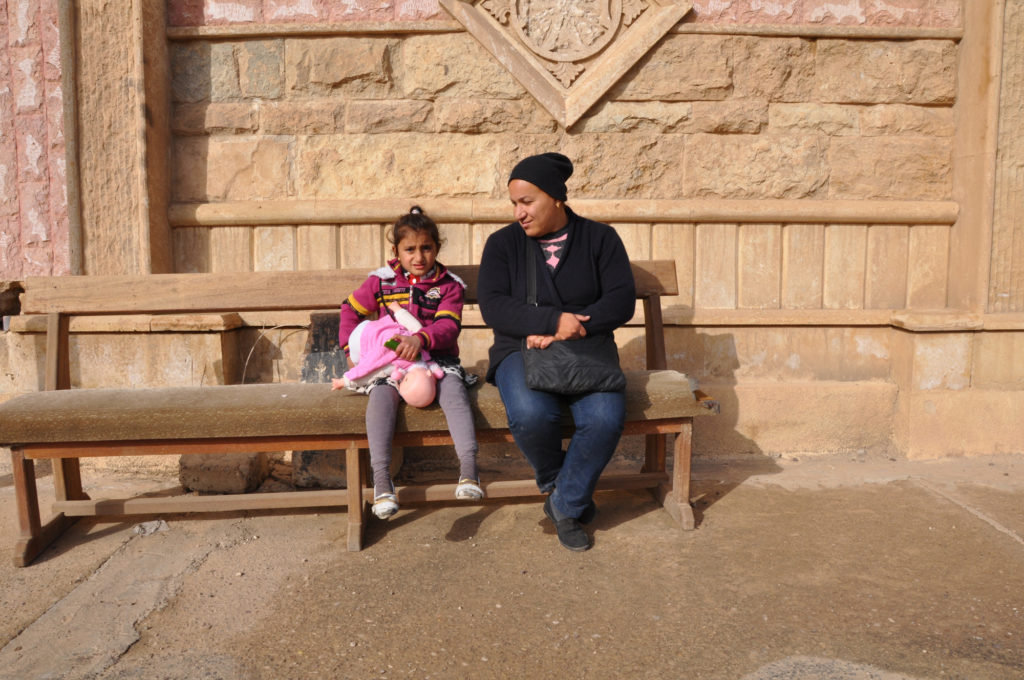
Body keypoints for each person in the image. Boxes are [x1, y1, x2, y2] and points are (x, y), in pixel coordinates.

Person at [477, 152, 635, 551]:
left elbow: (620, 301)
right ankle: (564, 489)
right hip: (519, 348)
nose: (519, 213)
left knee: (605, 417)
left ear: (556, 198)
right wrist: (550, 323)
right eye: (514, 203)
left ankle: (563, 503)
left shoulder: (601, 239)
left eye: (527, 202)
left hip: (588, 348)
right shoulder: (502, 245)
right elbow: (493, 306)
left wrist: (571, 328)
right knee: (532, 414)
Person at [336, 206, 483, 519]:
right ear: (396, 251)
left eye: (426, 248)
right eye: (410, 249)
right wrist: (349, 347)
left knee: (454, 391)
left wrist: (421, 340)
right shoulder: (381, 283)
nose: (419, 257)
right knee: (380, 396)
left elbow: (448, 327)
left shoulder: (448, 286)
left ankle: (469, 470)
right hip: (392, 358)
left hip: (437, 357)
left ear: (437, 248)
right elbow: (349, 311)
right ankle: (381, 483)